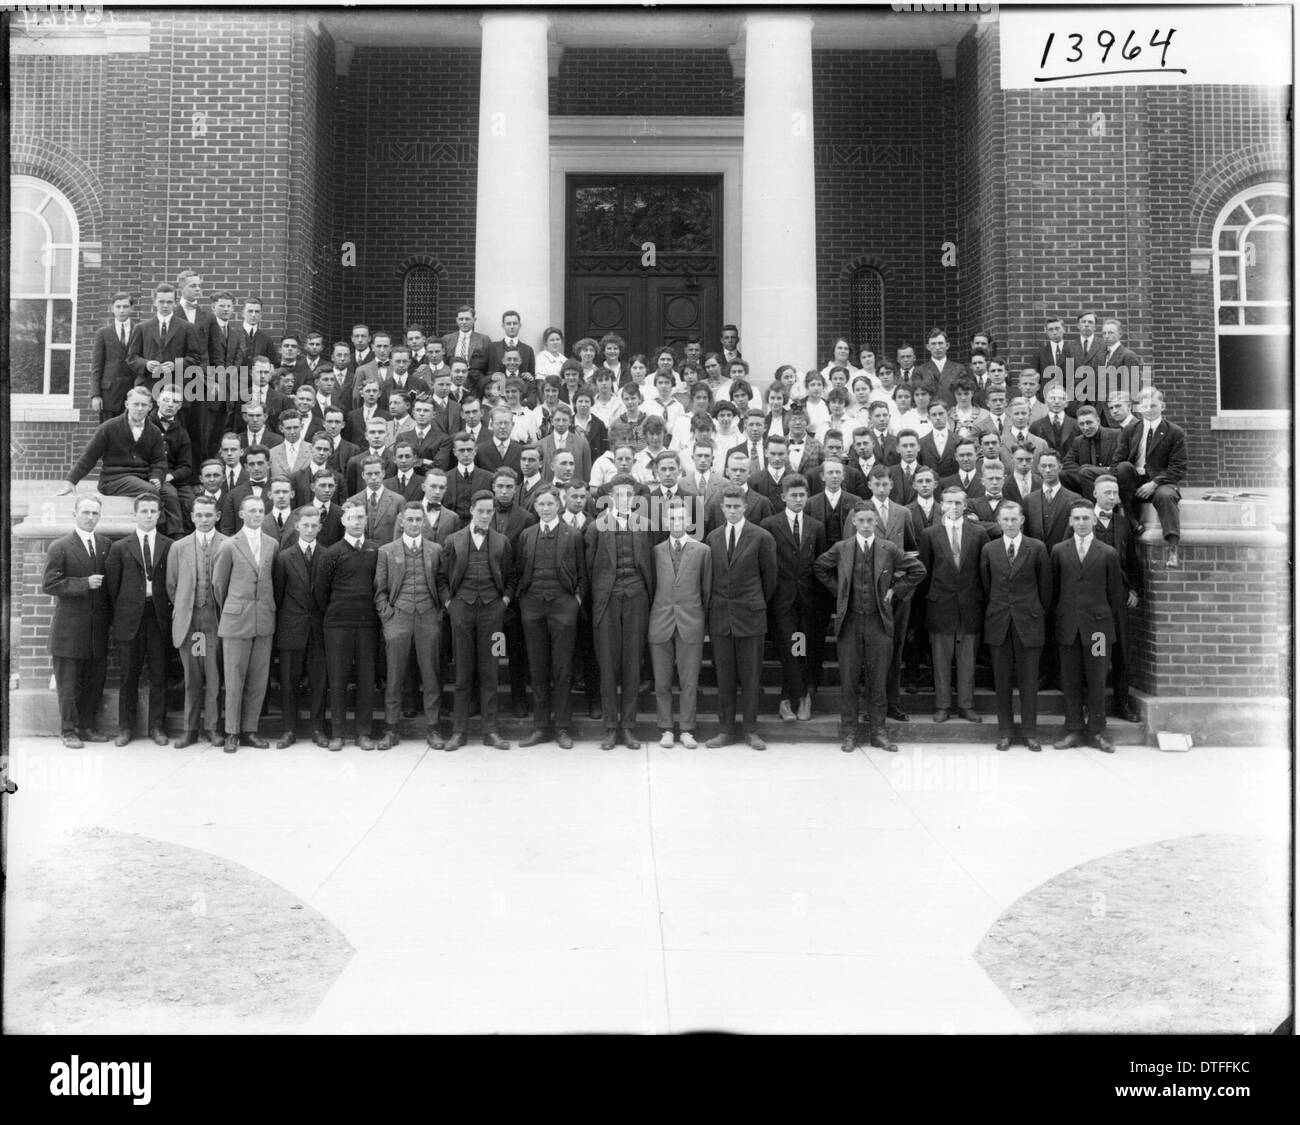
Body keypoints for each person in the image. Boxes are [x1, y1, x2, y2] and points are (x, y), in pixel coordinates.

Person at [814, 504, 926, 753]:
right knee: (849, 679)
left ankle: (879, 732)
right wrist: (839, 591)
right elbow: (820, 567)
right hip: (850, 621)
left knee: (878, 679)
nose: (865, 525)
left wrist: (895, 590)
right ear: (854, 522)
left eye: (870, 521)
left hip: (878, 621)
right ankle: (850, 732)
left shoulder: (888, 548)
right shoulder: (842, 548)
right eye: (861, 520)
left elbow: (918, 569)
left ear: (876, 522)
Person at [436, 490, 515, 751]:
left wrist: (503, 602)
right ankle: (459, 731)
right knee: (462, 673)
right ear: (471, 510)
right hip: (462, 614)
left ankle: (490, 731)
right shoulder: (453, 540)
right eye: (480, 510)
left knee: (491, 671)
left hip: (493, 615)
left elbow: (512, 577)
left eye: (489, 511)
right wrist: (450, 604)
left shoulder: (502, 541)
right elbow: (441, 578)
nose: (484, 515)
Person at [704, 486, 778, 750]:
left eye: (737, 506)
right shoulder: (712, 537)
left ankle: (750, 730)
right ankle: (725, 730)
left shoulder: (761, 537)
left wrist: (753, 602)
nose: (732, 511)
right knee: (724, 678)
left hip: (751, 617)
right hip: (721, 618)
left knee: (750, 678)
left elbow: (770, 580)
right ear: (721, 508)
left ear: (745, 507)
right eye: (728, 506)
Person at [585, 474, 655, 750]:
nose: (623, 499)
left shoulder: (645, 525)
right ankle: (610, 728)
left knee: (632, 664)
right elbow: (591, 569)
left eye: (629, 495)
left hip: (636, 597)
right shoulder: (596, 527)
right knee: (608, 665)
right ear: (610, 497)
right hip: (608, 600)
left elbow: (648, 563)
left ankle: (628, 727)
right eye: (619, 495)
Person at [514, 486, 587, 749]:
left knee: (563, 668)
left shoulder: (573, 535)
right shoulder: (526, 535)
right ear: (535, 507)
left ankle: (562, 727)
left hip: (562, 607)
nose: (545, 509)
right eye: (540, 504)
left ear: (559, 504)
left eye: (550, 504)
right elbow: (520, 570)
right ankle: (540, 726)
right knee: (537, 667)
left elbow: (582, 574)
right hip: (533, 606)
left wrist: (575, 601)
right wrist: (524, 600)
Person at [56, 386, 183, 536]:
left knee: (170, 493)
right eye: (136, 404)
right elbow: (89, 457)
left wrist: (156, 477)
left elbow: (159, 462)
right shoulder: (109, 428)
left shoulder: (154, 431)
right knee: (150, 491)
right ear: (127, 405)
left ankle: (176, 537)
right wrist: (72, 480)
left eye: (144, 405)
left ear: (150, 407)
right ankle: (158, 534)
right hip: (114, 479)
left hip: (144, 477)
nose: (140, 408)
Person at [1051, 502, 1125, 753]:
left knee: (1097, 679)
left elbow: (1115, 596)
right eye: (1077, 518)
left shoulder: (1108, 553)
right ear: (1070, 522)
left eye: (1086, 518)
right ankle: (1073, 729)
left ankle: (1097, 731)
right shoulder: (1059, 551)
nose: (1081, 522)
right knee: (1070, 680)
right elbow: (1054, 590)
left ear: (1094, 521)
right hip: (1068, 628)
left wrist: (1106, 626)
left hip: (1098, 631)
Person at [979, 502, 1052, 752]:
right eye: (1005, 520)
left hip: (1028, 622)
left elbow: (1046, 589)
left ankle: (1030, 732)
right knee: (1001, 681)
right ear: (998, 522)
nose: (1010, 524)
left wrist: (1032, 611)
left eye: (1014, 519)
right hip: (999, 621)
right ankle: (1005, 732)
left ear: (1022, 521)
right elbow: (986, 586)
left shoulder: (1037, 548)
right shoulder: (989, 549)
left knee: (1029, 681)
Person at [374, 502, 446, 751]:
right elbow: (380, 590)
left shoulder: (436, 550)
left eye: (419, 519)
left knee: (431, 675)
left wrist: (438, 613)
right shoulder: (386, 551)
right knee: (394, 676)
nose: (415, 524)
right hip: (398, 618)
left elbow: (442, 583)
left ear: (424, 522)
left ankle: (433, 728)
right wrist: (388, 616)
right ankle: (391, 729)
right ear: (401, 522)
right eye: (410, 520)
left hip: (428, 617)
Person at [43, 496, 113, 747]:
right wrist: (84, 583)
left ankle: (87, 727)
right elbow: (50, 584)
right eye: (85, 512)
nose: (90, 517)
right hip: (69, 630)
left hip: (97, 629)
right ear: (75, 514)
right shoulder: (60, 546)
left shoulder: (106, 545)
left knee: (94, 681)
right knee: (69, 684)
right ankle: (68, 730)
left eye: (95, 513)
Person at [211, 493, 278, 752]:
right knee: (234, 677)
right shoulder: (229, 545)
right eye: (251, 511)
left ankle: (250, 730)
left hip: (263, 619)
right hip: (236, 620)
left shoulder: (271, 543)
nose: (257, 515)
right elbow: (219, 585)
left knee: (258, 679)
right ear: (241, 514)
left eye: (260, 511)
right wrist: (234, 607)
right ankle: (232, 732)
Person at [105, 494, 173, 747]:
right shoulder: (121, 547)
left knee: (159, 674)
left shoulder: (168, 545)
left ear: (159, 514)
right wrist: (120, 615)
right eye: (143, 511)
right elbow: (112, 588)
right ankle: (125, 727)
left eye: (152, 511)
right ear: (135, 514)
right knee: (128, 675)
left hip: (158, 617)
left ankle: (157, 726)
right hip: (129, 617)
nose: (148, 515)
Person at [314, 500, 383, 751]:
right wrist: (337, 613)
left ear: (366, 520)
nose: (356, 522)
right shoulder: (332, 553)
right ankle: (338, 733)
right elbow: (321, 592)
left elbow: (379, 586)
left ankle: (363, 733)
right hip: (338, 625)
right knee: (338, 679)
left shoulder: (376, 551)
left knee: (366, 679)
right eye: (351, 517)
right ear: (343, 521)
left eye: (360, 517)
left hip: (367, 624)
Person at [760, 474, 828, 722]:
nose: (798, 499)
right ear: (783, 497)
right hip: (782, 600)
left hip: (808, 602)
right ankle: (800, 696)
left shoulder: (816, 526)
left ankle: (790, 699)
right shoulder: (770, 524)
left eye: (802, 495)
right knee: (791, 649)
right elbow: (766, 564)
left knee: (801, 649)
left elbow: (821, 564)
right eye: (794, 495)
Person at [918, 488, 988, 724]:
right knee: (941, 659)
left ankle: (966, 705)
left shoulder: (978, 533)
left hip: (970, 604)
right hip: (941, 604)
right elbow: (925, 571)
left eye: (958, 502)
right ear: (941, 505)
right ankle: (942, 705)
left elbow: (984, 571)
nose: (954, 507)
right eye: (949, 502)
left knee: (967, 660)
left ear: (965, 505)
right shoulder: (930, 534)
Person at [648, 497, 711, 748]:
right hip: (661, 620)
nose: (676, 522)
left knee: (689, 680)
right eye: (671, 518)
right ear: (665, 521)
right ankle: (665, 728)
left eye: (681, 518)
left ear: (689, 521)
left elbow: (706, 590)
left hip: (690, 621)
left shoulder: (702, 550)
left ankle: (687, 729)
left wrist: (700, 618)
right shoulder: (656, 551)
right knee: (662, 680)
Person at [165, 494, 226, 748]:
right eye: (199, 515)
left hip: (214, 619)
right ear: (191, 517)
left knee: (213, 676)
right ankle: (189, 729)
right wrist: (185, 606)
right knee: (192, 676)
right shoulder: (179, 547)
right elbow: (172, 584)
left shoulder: (227, 544)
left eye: (208, 515)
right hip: (190, 620)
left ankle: (212, 727)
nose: (203, 519)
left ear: (217, 516)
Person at [272, 505, 330, 748]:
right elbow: (278, 594)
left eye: (314, 525)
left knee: (318, 681)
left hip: (318, 629)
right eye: (305, 525)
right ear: (296, 526)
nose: (309, 529)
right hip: (291, 628)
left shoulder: (327, 555)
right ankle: (289, 729)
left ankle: (318, 728)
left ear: (320, 527)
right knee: (289, 680)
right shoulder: (284, 557)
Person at [1112, 386, 1186, 568]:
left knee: (1165, 496)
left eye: (1153, 406)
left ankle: (1173, 547)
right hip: (1134, 480)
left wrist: (1154, 483)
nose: (1149, 410)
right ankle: (1132, 520)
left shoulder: (1174, 432)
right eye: (1144, 406)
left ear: (1163, 406)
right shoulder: (1130, 430)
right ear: (1138, 408)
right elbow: (1117, 461)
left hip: (1162, 481)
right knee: (1122, 468)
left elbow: (1179, 467)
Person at [1091, 474, 1143, 723]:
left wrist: (1134, 589)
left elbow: (1132, 560)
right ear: (1095, 494)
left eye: (1115, 493)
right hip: (1094, 602)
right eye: (1107, 493)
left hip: (1119, 599)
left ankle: (1122, 704)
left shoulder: (1123, 524)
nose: (1112, 498)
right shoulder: (1082, 520)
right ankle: (1095, 706)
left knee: (1122, 650)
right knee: (1098, 651)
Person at [90, 291, 137, 422]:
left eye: (125, 306)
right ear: (112, 308)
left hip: (133, 392)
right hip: (109, 394)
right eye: (118, 306)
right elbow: (96, 366)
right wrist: (95, 395)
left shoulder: (140, 330)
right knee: (108, 433)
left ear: (131, 308)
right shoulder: (103, 333)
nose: (121, 310)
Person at [1059, 405, 1120, 500]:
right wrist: (1085, 472)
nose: (1085, 427)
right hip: (1086, 480)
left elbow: (1122, 461)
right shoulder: (1078, 441)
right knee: (1062, 475)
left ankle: (1094, 509)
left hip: (1110, 477)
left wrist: (1088, 471)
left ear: (1098, 421)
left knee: (1085, 471)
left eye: (1089, 423)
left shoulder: (1115, 435)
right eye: (1081, 424)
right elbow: (1067, 462)